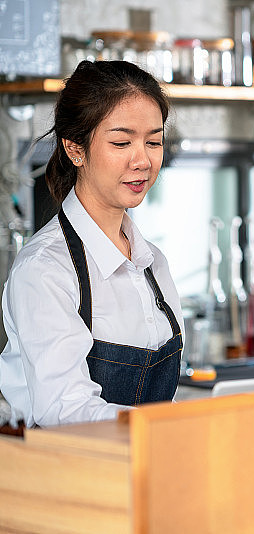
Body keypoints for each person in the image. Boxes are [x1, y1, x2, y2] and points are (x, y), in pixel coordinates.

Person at [0, 60, 183, 428]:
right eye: (121, 142)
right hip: (69, 474)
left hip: (139, 468)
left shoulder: (153, 263)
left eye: (154, 141)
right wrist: (167, 428)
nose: (142, 160)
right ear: (74, 149)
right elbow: (64, 410)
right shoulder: (46, 269)